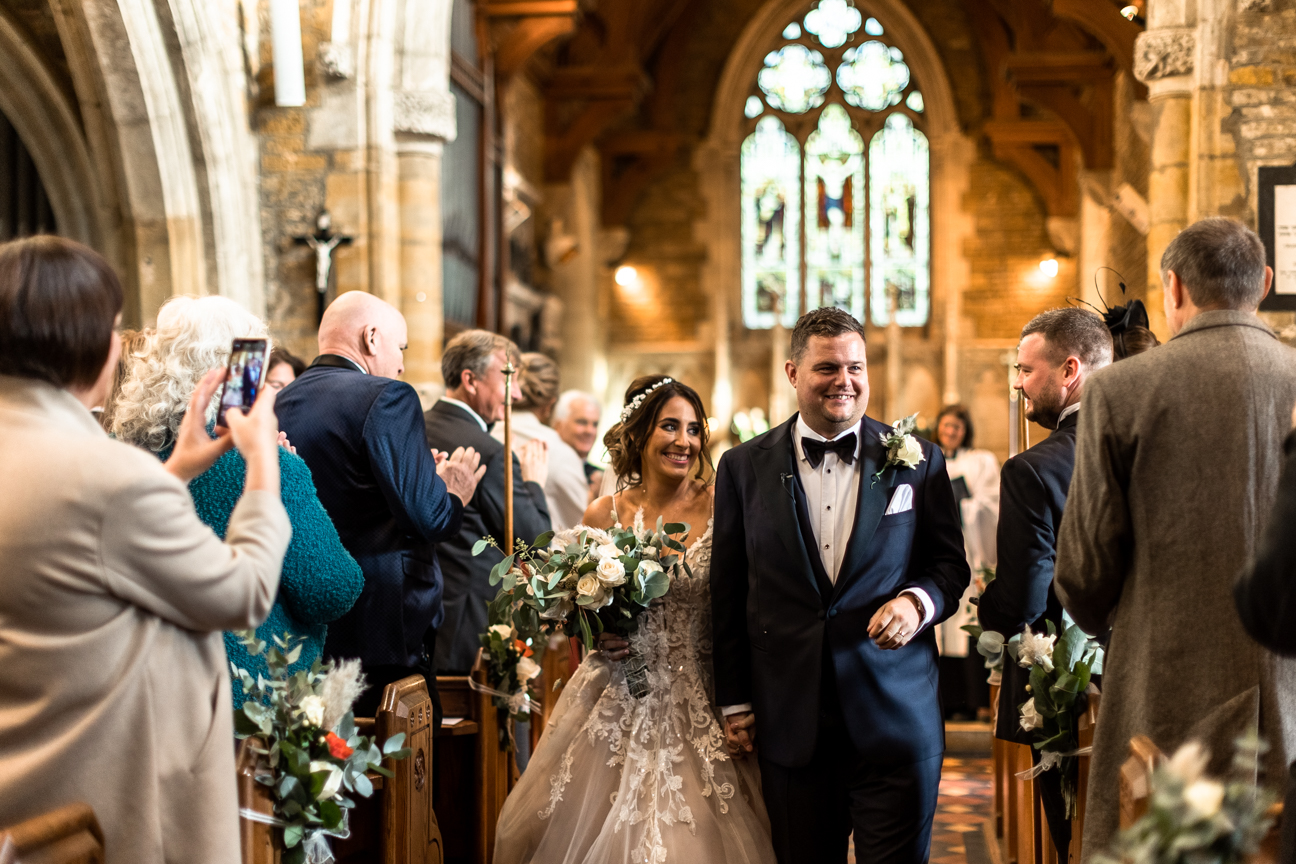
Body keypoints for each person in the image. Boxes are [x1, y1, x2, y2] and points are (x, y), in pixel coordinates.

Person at [0, 236, 290, 863]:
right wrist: (264, 463)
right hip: (99, 802)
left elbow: (78, 548)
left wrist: (177, 469)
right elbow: (243, 593)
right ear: (90, 345)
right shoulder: (102, 475)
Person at [1056, 217, 1296, 856]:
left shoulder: (1121, 390)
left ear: (1174, 287)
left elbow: (1083, 570)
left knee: (1158, 844)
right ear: (1264, 283)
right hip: (1291, 695)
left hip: (1163, 684)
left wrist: (1113, 621)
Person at [711, 306, 971, 864]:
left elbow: (950, 568)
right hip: (790, 722)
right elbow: (728, 591)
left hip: (896, 719)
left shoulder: (919, 460)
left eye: (855, 367)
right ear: (792, 373)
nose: (844, 381)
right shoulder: (742, 466)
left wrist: (916, 603)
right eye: (827, 368)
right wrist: (734, 700)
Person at [493, 375, 777, 864]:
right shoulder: (604, 513)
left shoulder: (724, 504)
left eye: (694, 429)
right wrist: (598, 631)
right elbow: (578, 609)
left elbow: (748, 601)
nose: (684, 441)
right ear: (640, 433)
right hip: (619, 693)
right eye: (670, 426)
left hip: (704, 695)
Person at [111, 295, 364, 706]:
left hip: (145, 695)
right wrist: (278, 468)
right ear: (235, 374)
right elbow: (331, 589)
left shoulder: (112, 454)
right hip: (248, 702)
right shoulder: (267, 466)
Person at [275, 290, 486, 719]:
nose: (402, 364)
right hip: (385, 621)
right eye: (401, 347)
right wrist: (452, 492)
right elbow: (429, 518)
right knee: (405, 751)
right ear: (371, 337)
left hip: (307, 614)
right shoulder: (387, 396)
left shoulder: (280, 401)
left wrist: (417, 476)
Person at [976, 308, 1113, 853]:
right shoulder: (1148, 445)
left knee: (1071, 838)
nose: (1018, 384)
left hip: (1064, 688)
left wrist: (988, 608)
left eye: (1026, 370)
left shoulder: (1033, 469)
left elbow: (1024, 600)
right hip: (1132, 671)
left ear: (1069, 370)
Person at [425, 331, 551, 674]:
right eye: (509, 379)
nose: (518, 394)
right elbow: (535, 543)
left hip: (416, 609)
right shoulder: (490, 452)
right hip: (464, 624)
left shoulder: (414, 427)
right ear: (470, 380)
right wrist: (534, 483)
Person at [932, 404, 999, 721]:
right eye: (946, 425)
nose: (950, 432)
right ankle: (946, 703)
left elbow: (992, 504)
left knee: (967, 625)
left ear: (965, 431)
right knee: (941, 630)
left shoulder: (980, 460)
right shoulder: (928, 457)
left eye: (956, 427)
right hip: (936, 551)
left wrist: (966, 505)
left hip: (970, 553)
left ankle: (973, 701)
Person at [491, 352, 588, 530]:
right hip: (544, 545)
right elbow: (583, 525)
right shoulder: (560, 452)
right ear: (550, 404)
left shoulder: (487, 436)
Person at [553, 389, 604, 497]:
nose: (590, 431)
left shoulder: (601, 479)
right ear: (558, 426)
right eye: (582, 422)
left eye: (595, 424)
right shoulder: (543, 467)